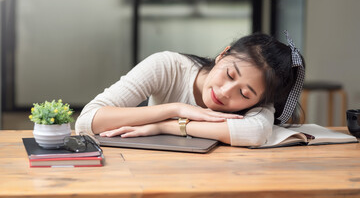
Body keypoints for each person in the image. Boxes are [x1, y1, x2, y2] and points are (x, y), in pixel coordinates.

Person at [75, 31, 305, 147]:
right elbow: (86, 121)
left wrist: (164, 126)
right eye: (229, 74)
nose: (226, 92)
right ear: (222, 54)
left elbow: (255, 132)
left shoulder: (260, 100)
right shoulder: (167, 66)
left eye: (244, 94)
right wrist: (176, 108)